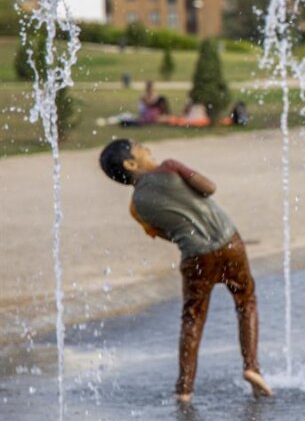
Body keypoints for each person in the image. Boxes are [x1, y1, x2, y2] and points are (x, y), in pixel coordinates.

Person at [98, 140, 273, 402]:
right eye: (140, 148)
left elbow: (168, 234)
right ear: (131, 164)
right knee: (245, 300)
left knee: (192, 318)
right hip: (229, 242)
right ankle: (251, 367)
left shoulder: (136, 207)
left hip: (195, 257)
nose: (147, 148)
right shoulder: (170, 167)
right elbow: (209, 187)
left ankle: (184, 389)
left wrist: (193, 242)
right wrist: (182, 171)